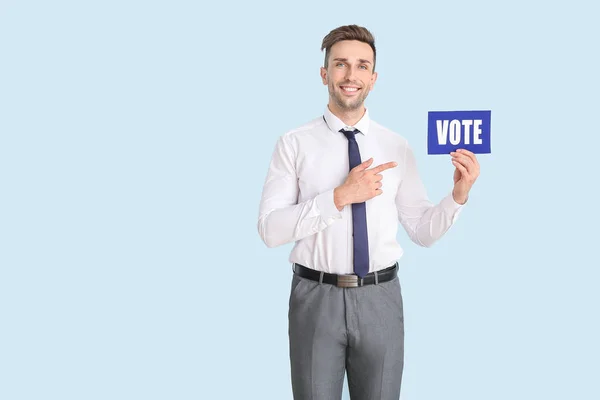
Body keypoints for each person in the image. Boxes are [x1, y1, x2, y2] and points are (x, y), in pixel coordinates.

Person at [257, 24, 480, 400]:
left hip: (381, 298)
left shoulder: (397, 145)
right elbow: (269, 230)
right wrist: (338, 197)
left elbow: (423, 231)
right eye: (341, 64)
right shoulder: (293, 143)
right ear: (324, 73)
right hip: (315, 298)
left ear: (373, 78)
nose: (350, 75)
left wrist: (458, 194)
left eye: (362, 66)